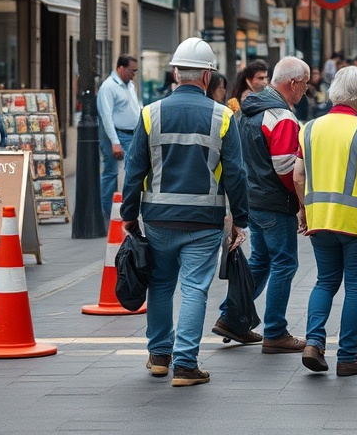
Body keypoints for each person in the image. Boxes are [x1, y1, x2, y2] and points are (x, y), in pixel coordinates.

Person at [120, 38, 248, 386]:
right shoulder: (224, 116)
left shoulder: (150, 113)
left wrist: (128, 214)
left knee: (161, 285)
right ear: (207, 76)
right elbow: (236, 174)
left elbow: (134, 170)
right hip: (204, 221)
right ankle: (186, 365)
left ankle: (160, 355)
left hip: (158, 219)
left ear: (175, 73)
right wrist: (240, 219)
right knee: (194, 289)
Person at [218, 56, 310, 353]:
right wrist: (301, 202)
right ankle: (275, 331)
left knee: (261, 260)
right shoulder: (282, 117)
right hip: (274, 201)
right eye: (305, 84)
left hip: (253, 198)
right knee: (284, 262)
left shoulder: (249, 110)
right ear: (293, 83)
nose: (306, 90)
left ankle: (232, 318)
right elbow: (285, 167)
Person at [294, 67, 357, 377]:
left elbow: (298, 175)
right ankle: (347, 356)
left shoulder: (309, 129)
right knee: (355, 288)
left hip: (320, 219)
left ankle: (314, 341)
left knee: (325, 281)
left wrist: (304, 209)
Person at [97, 54, 141, 220]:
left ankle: (127, 209)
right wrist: (115, 142)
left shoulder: (130, 85)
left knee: (132, 170)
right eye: (132, 70)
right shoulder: (108, 87)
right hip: (116, 134)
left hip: (131, 134)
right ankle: (107, 212)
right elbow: (106, 116)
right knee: (111, 172)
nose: (134, 74)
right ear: (121, 68)